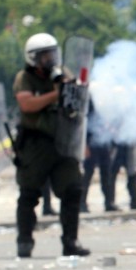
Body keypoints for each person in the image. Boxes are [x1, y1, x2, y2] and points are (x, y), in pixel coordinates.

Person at [12, 32, 89, 258]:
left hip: (63, 141)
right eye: (44, 55)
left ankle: (70, 241)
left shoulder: (62, 74)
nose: (50, 59)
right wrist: (55, 95)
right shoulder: (25, 78)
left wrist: (73, 89)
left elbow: (76, 103)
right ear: (33, 58)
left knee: (72, 189)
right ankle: (24, 241)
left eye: (52, 53)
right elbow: (27, 104)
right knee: (29, 193)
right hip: (36, 144)